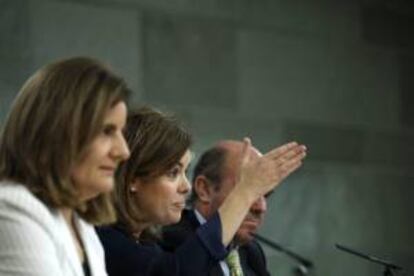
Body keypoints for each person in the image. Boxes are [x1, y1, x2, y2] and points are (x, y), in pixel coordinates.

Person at [97, 106, 306, 276]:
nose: (185, 187)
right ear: (133, 178)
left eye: (185, 171)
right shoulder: (104, 240)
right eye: (173, 172)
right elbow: (177, 272)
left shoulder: (145, 241)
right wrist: (245, 191)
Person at [0, 57, 131, 276]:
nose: (123, 151)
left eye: (121, 133)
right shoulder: (12, 208)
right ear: (56, 132)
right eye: (107, 131)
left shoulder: (81, 225)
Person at [162, 140, 272, 276]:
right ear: (205, 189)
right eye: (246, 191)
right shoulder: (172, 243)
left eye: (265, 194)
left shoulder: (251, 252)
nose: (261, 207)